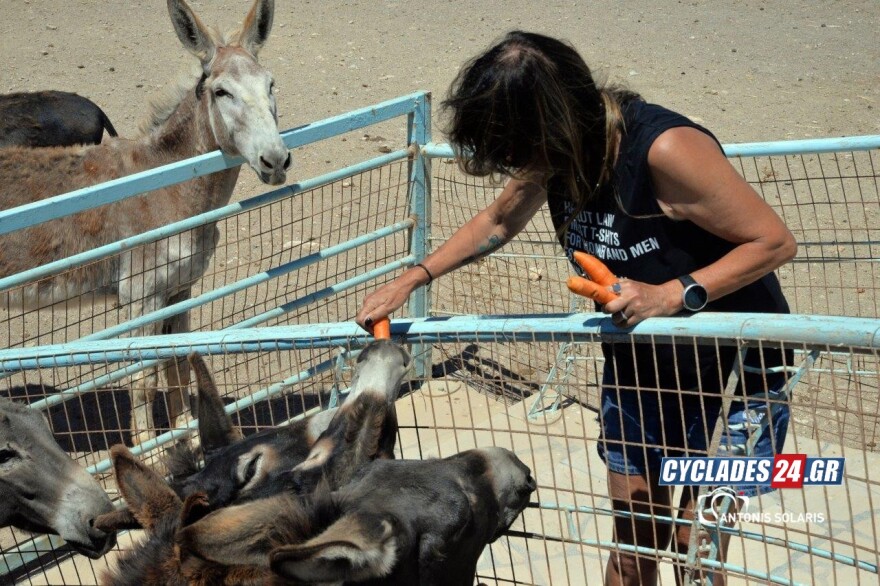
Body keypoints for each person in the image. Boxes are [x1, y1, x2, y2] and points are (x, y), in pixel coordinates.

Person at [355, 31, 797, 585]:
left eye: (517, 150)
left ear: (552, 124)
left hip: (736, 374)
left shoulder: (663, 150)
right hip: (644, 367)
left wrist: (669, 293)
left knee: (695, 545)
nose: (515, 165)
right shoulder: (554, 159)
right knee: (635, 547)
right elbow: (497, 222)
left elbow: (774, 242)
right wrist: (414, 277)